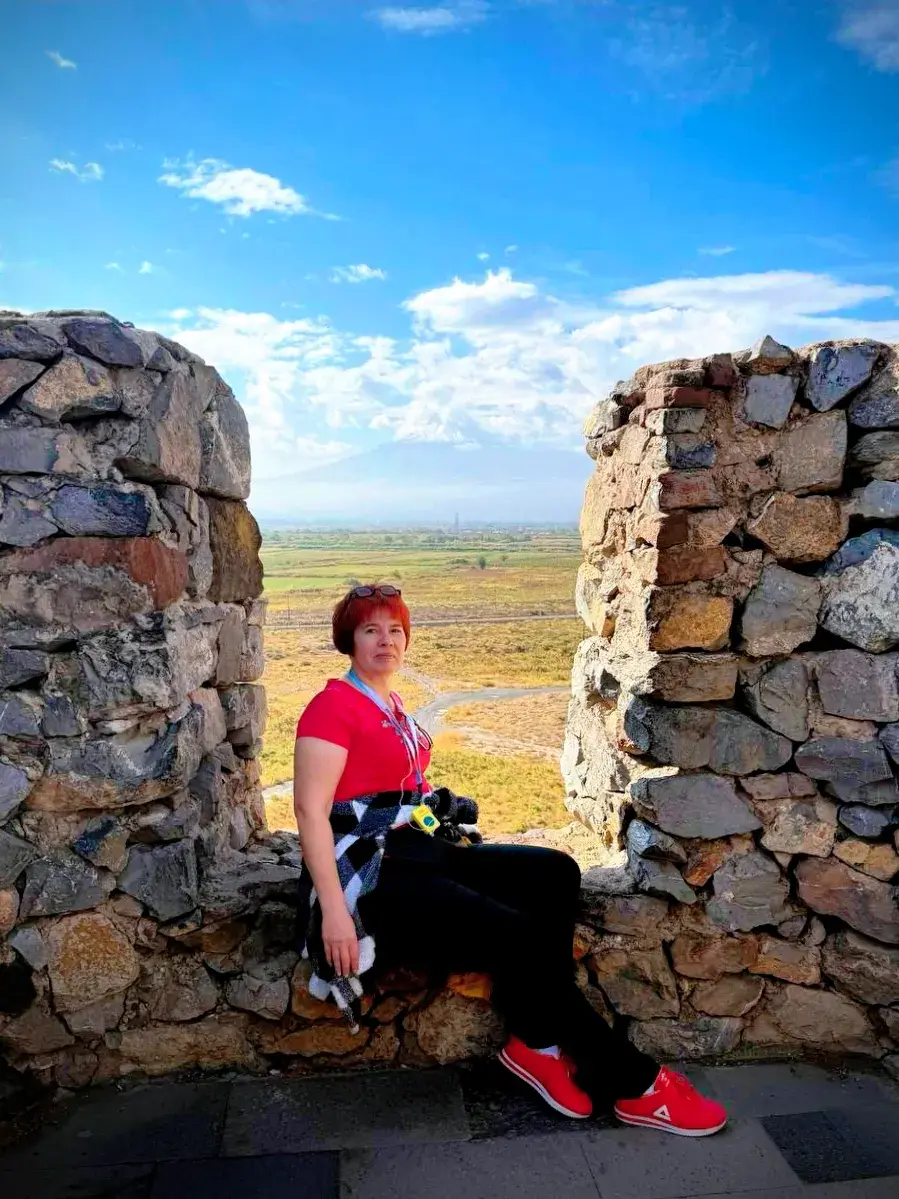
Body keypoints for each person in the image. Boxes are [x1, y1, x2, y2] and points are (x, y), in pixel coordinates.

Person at [293, 583, 727, 1136]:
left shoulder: (390, 704)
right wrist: (334, 912)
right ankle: (635, 1082)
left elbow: (399, 790)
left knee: (554, 872)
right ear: (349, 640)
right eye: (370, 630)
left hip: (416, 847)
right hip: (371, 873)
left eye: (395, 630)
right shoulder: (331, 707)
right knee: (516, 935)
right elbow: (309, 810)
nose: (386, 641)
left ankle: (535, 1043)